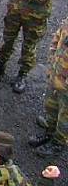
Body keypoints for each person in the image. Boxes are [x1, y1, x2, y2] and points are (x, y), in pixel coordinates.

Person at [28, 17, 68, 159]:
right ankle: (49, 131)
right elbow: (57, 37)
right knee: (51, 106)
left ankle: (58, 143)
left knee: (65, 118)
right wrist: (52, 60)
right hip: (56, 76)